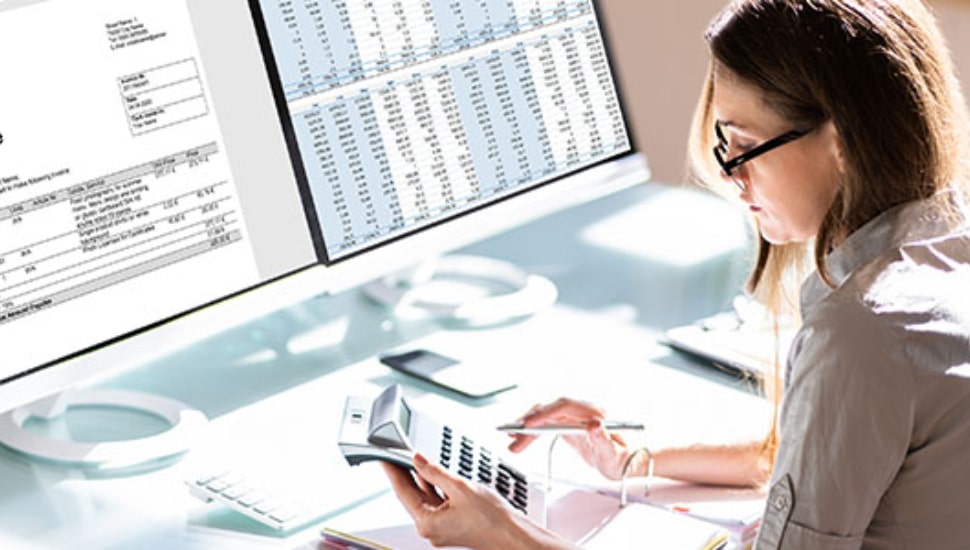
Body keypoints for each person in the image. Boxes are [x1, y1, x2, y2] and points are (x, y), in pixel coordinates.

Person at [383, 0, 970, 547]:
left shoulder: (861, 332)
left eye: (741, 147)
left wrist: (503, 536)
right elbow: (828, 456)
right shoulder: (946, 251)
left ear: (842, 140)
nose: (733, 180)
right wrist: (635, 460)